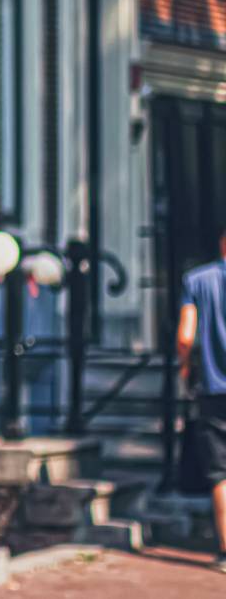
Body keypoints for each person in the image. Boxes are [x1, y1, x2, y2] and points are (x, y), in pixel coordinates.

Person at [177, 230, 226, 573]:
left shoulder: (197, 280)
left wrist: (184, 367)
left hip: (213, 388)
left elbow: (185, 335)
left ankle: (225, 551)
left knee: (221, 474)